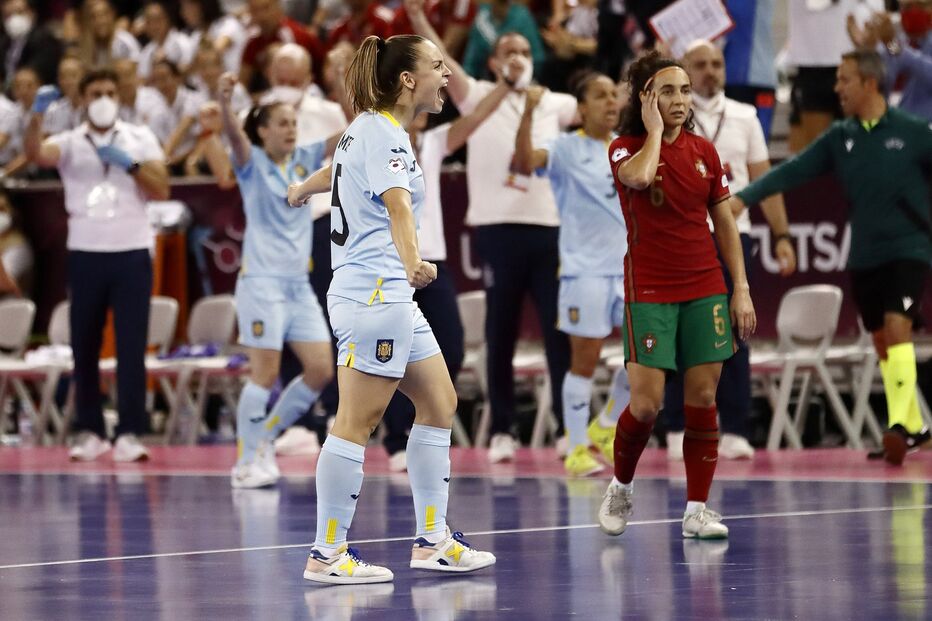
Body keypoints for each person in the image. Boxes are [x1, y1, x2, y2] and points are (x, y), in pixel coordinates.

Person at [287, 33, 495, 583]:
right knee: (357, 420)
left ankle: (432, 540)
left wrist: (303, 188)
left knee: (440, 400)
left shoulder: (369, 130)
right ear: (407, 80)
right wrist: (414, 263)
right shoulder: (386, 136)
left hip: (384, 295)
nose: (446, 75)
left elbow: (340, 172)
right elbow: (400, 209)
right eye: (436, 66)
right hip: (375, 294)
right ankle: (327, 554)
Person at [734, 49, 932, 466]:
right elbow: (791, 171)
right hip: (863, 256)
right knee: (882, 340)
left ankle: (899, 424)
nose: (836, 88)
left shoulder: (915, 133)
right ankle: (915, 427)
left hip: (909, 250)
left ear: (870, 84)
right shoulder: (841, 138)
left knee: (898, 328)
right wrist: (742, 200)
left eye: (844, 80)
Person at [597, 51, 756, 541]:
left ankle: (697, 509)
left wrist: (741, 290)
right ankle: (621, 485)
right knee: (646, 405)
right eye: (667, 91)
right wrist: (652, 132)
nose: (681, 100)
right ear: (645, 97)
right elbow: (642, 178)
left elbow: (725, 224)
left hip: (705, 285)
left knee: (703, 397)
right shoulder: (624, 148)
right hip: (649, 289)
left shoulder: (706, 153)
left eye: (685, 90)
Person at [407, 0, 575, 463]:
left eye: (524, 49)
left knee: (557, 332)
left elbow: (597, 121)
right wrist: (419, 19)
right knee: (500, 331)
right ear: (495, 60)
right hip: (497, 229)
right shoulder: (477, 91)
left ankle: (566, 428)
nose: (517, 55)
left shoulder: (556, 102)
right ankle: (503, 428)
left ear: (533, 57)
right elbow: (441, 56)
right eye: (508, 50)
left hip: (547, 226)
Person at [24, 68, 170, 462]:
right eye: (95, 92)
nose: (103, 98)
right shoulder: (70, 142)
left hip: (131, 251)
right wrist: (35, 117)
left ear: (118, 97)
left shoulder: (139, 137)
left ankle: (130, 431)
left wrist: (132, 165)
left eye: (109, 91)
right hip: (86, 252)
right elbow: (36, 153)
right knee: (84, 344)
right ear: (83, 100)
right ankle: (90, 429)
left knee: (131, 345)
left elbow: (163, 187)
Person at [663, 40, 797, 462]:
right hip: (681, 237)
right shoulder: (672, 117)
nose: (711, 71)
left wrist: (782, 234)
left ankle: (736, 424)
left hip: (733, 234)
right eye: (700, 64)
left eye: (717, 63)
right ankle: (675, 424)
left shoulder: (744, 116)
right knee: (678, 331)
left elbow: (764, 180)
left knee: (736, 330)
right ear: (685, 70)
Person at [381, 75, 511, 472]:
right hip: (392, 263)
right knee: (390, 353)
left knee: (451, 347)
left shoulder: (434, 144)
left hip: (432, 261)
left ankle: (425, 422)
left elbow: (476, 119)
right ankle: (395, 437)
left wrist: (506, 86)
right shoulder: (380, 141)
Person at [216, 72, 335, 488]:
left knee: (321, 368)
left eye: (293, 123)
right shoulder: (251, 163)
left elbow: (348, 136)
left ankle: (263, 436)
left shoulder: (303, 158)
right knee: (263, 374)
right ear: (263, 130)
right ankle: (246, 461)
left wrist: (373, 103)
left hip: (297, 286)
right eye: (281, 123)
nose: (290, 129)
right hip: (261, 284)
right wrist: (227, 104)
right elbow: (234, 136)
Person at [512, 74, 631, 477]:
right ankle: (577, 448)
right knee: (584, 362)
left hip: (629, 272)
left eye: (614, 94)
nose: (610, 101)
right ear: (581, 109)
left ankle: (608, 425)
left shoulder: (627, 149)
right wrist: (528, 112)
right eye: (600, 95)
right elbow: (525, 163)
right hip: (585, 273)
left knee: (649, 357)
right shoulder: (565, 147)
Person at [0, 0, 62, 87]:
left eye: (19, 13)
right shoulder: (4, 43)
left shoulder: (45, 40)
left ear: (32, 13)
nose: (14, 19)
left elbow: (33, 74)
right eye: (8, 15)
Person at [42, 57, 85, 137]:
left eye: (73, 76)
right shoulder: (53, 108)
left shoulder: (92, 107)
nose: (67, 81)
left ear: (84, 77)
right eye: (63, 76)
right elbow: (45, 141)